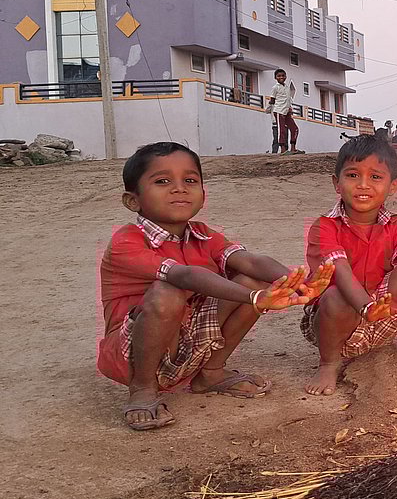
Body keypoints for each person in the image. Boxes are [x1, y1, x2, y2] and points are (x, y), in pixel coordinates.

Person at [99, 142, 333, 430]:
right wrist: (255, 297)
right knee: (167, 292)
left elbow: (250, 261)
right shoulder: (127, 240)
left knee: (253, 279)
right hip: (133, 352)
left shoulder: (202, 234)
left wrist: (299, 285)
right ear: (132, 201)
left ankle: (210, 373)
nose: (179, 189)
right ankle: (143, 388)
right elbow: (184, 276)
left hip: (187, 338)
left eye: (190, 181)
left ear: (203, 194)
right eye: (162, 181)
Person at [301, 135, 397, 395]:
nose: (363, 184)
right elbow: (340, 271)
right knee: (336, 295)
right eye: (353, 175)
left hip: (383, 316)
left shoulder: (395, 226)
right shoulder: (324, 227)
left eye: (375, 177)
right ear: (336, 183)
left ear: (393, 186)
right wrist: (367, 307)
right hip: (337, 324)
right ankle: (329, 363)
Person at [265, 69, 303, 155]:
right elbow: (272, 100)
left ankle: (293, 148)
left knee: (295, 129)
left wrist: (289, 107)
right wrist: (272, 109)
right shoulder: (275, 88)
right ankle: (283, 149)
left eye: (283, 76)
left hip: (287, 111)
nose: (281, 77)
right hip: (279, 111)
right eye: (279, 76)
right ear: (275, 78)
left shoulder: (287, 88)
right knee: (281, 130)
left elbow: (289, 99)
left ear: (286, 77)